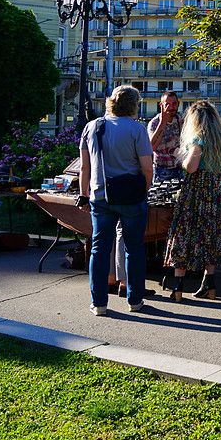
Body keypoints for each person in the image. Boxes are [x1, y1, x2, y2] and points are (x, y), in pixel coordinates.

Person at [78, 85, 154, 316]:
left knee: (99, 249)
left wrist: (84, 194)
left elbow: (85, 166)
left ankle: (99, 303)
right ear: (134, 105)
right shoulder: (137, 129)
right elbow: (147, 168)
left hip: (100, 196)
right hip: (131, 196)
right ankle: (135, 300)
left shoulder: (92, 127)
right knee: (134, 248)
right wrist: (145, 189)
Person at [164, 99, 221, 301]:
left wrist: (186, 154)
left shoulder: (198, 137)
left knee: (184, 231)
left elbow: (191, 167)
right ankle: (209, 283)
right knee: (212, 233)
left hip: (197, 188)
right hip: (218, 188)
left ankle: (178, 286)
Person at [147, 91, 183, 182]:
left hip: (178, 169)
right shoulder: (154, 123)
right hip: (161, 171)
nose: (171, 107)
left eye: (174, 104)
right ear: (161, 105)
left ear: (178, 104)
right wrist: (163, 122)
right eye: (167, 104)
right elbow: (151, 147)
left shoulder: (179, 120)